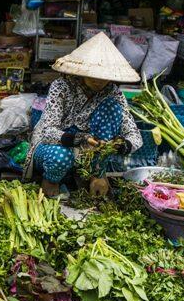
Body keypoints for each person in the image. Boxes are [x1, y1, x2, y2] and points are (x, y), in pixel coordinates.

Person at [25, 32, 143, 197]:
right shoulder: (62, 86)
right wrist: (81, 138)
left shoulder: (113, 93)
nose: (98, 80)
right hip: (54, 147)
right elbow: (48, 132)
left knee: (112, 108)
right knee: (61, 156)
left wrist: (121, 145)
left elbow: (135, 136)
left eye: (103, 76)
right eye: (92, 74)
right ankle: (51, 181)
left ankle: (97, 174)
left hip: (90, 156)